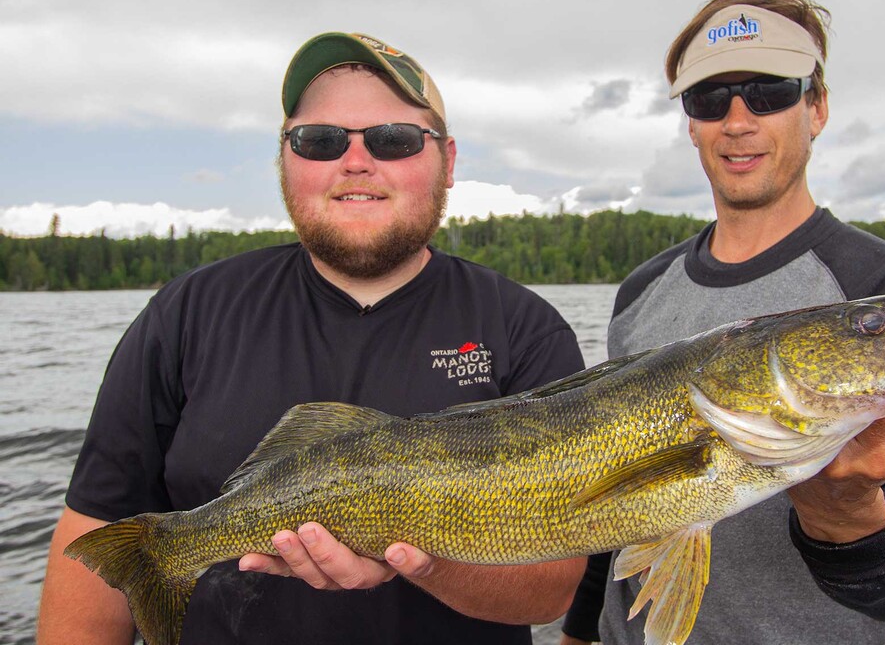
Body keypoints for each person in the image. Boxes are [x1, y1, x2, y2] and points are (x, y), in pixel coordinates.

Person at [37, 32, 587, 645]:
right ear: (284, 159)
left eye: (394, 139)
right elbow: (96, 534)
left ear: (448, 161)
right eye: (320, 140)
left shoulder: (526, 329)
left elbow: (552, 587)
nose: (356, 162)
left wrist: (422, 559)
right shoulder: (187, 312)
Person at [561, 0, 885, 643]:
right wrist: (580, 629)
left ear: (816, 108)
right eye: (709, 99)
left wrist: (844, 512)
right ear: (691, 122)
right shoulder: (641, 292)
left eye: (769, 92)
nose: (737, 120)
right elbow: (617, 507)